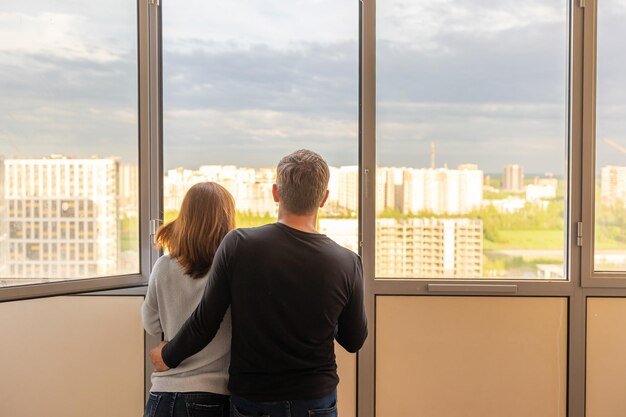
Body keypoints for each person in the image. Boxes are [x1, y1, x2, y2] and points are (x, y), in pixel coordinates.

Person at [150, 149, 368, 417]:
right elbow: (354, 340)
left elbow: (205, 322)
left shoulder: (239, 245)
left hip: (254, 401)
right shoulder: (347, 262)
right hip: (316, 400)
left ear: (276, 193)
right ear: (323, 198)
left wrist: (167, 356)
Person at [142, 182, 236, 417]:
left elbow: (151, 324)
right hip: (211, 394)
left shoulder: (164, 266)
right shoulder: (231, 270)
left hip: (162, 394)